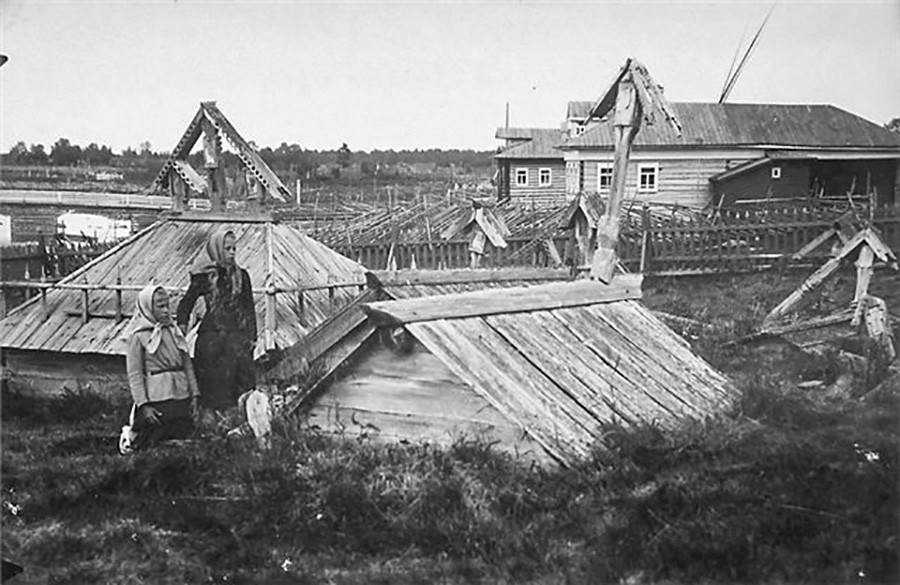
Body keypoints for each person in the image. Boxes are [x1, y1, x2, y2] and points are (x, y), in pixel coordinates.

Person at [176, 230, 257, 411]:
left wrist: (252, 339)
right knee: (214, 392)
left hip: (237, 340)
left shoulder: (241, 276)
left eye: (234, 248)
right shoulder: (205, 276)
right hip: (212, 342)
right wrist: (181, 327)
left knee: (241, 391)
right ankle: (211, 430)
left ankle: (238, 429)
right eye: (227, 248)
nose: (232, 253)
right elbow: (186, 303)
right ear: (216, 250)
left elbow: (249, 309)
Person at [125, 284, 199, 450]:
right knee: (156, 438)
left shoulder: (175, 332)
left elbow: (187, 364)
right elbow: (135, 374)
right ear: (148, 308)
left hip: (181, 395)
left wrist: (194, 394)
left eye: (168, 306)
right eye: (160, 307)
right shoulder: (138, 337)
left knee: (184, 436)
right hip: (157, 399)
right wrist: (143, 405)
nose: (166, 311)